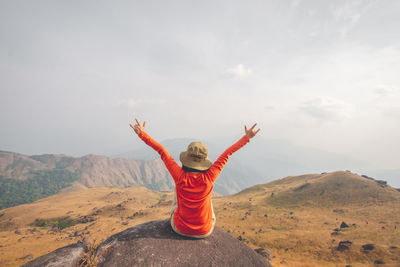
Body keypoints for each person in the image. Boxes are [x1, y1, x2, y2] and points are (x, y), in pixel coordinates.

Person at [130, 118, 260, 238]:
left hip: (180, 229)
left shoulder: (180, 176)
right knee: (208, 195)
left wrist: (142, 134)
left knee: (177, 189)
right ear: (204, 160)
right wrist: (247, 137)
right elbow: (227, 154)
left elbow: (162, 151)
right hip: (205, 231)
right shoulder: (210, 177)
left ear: (187, 158)